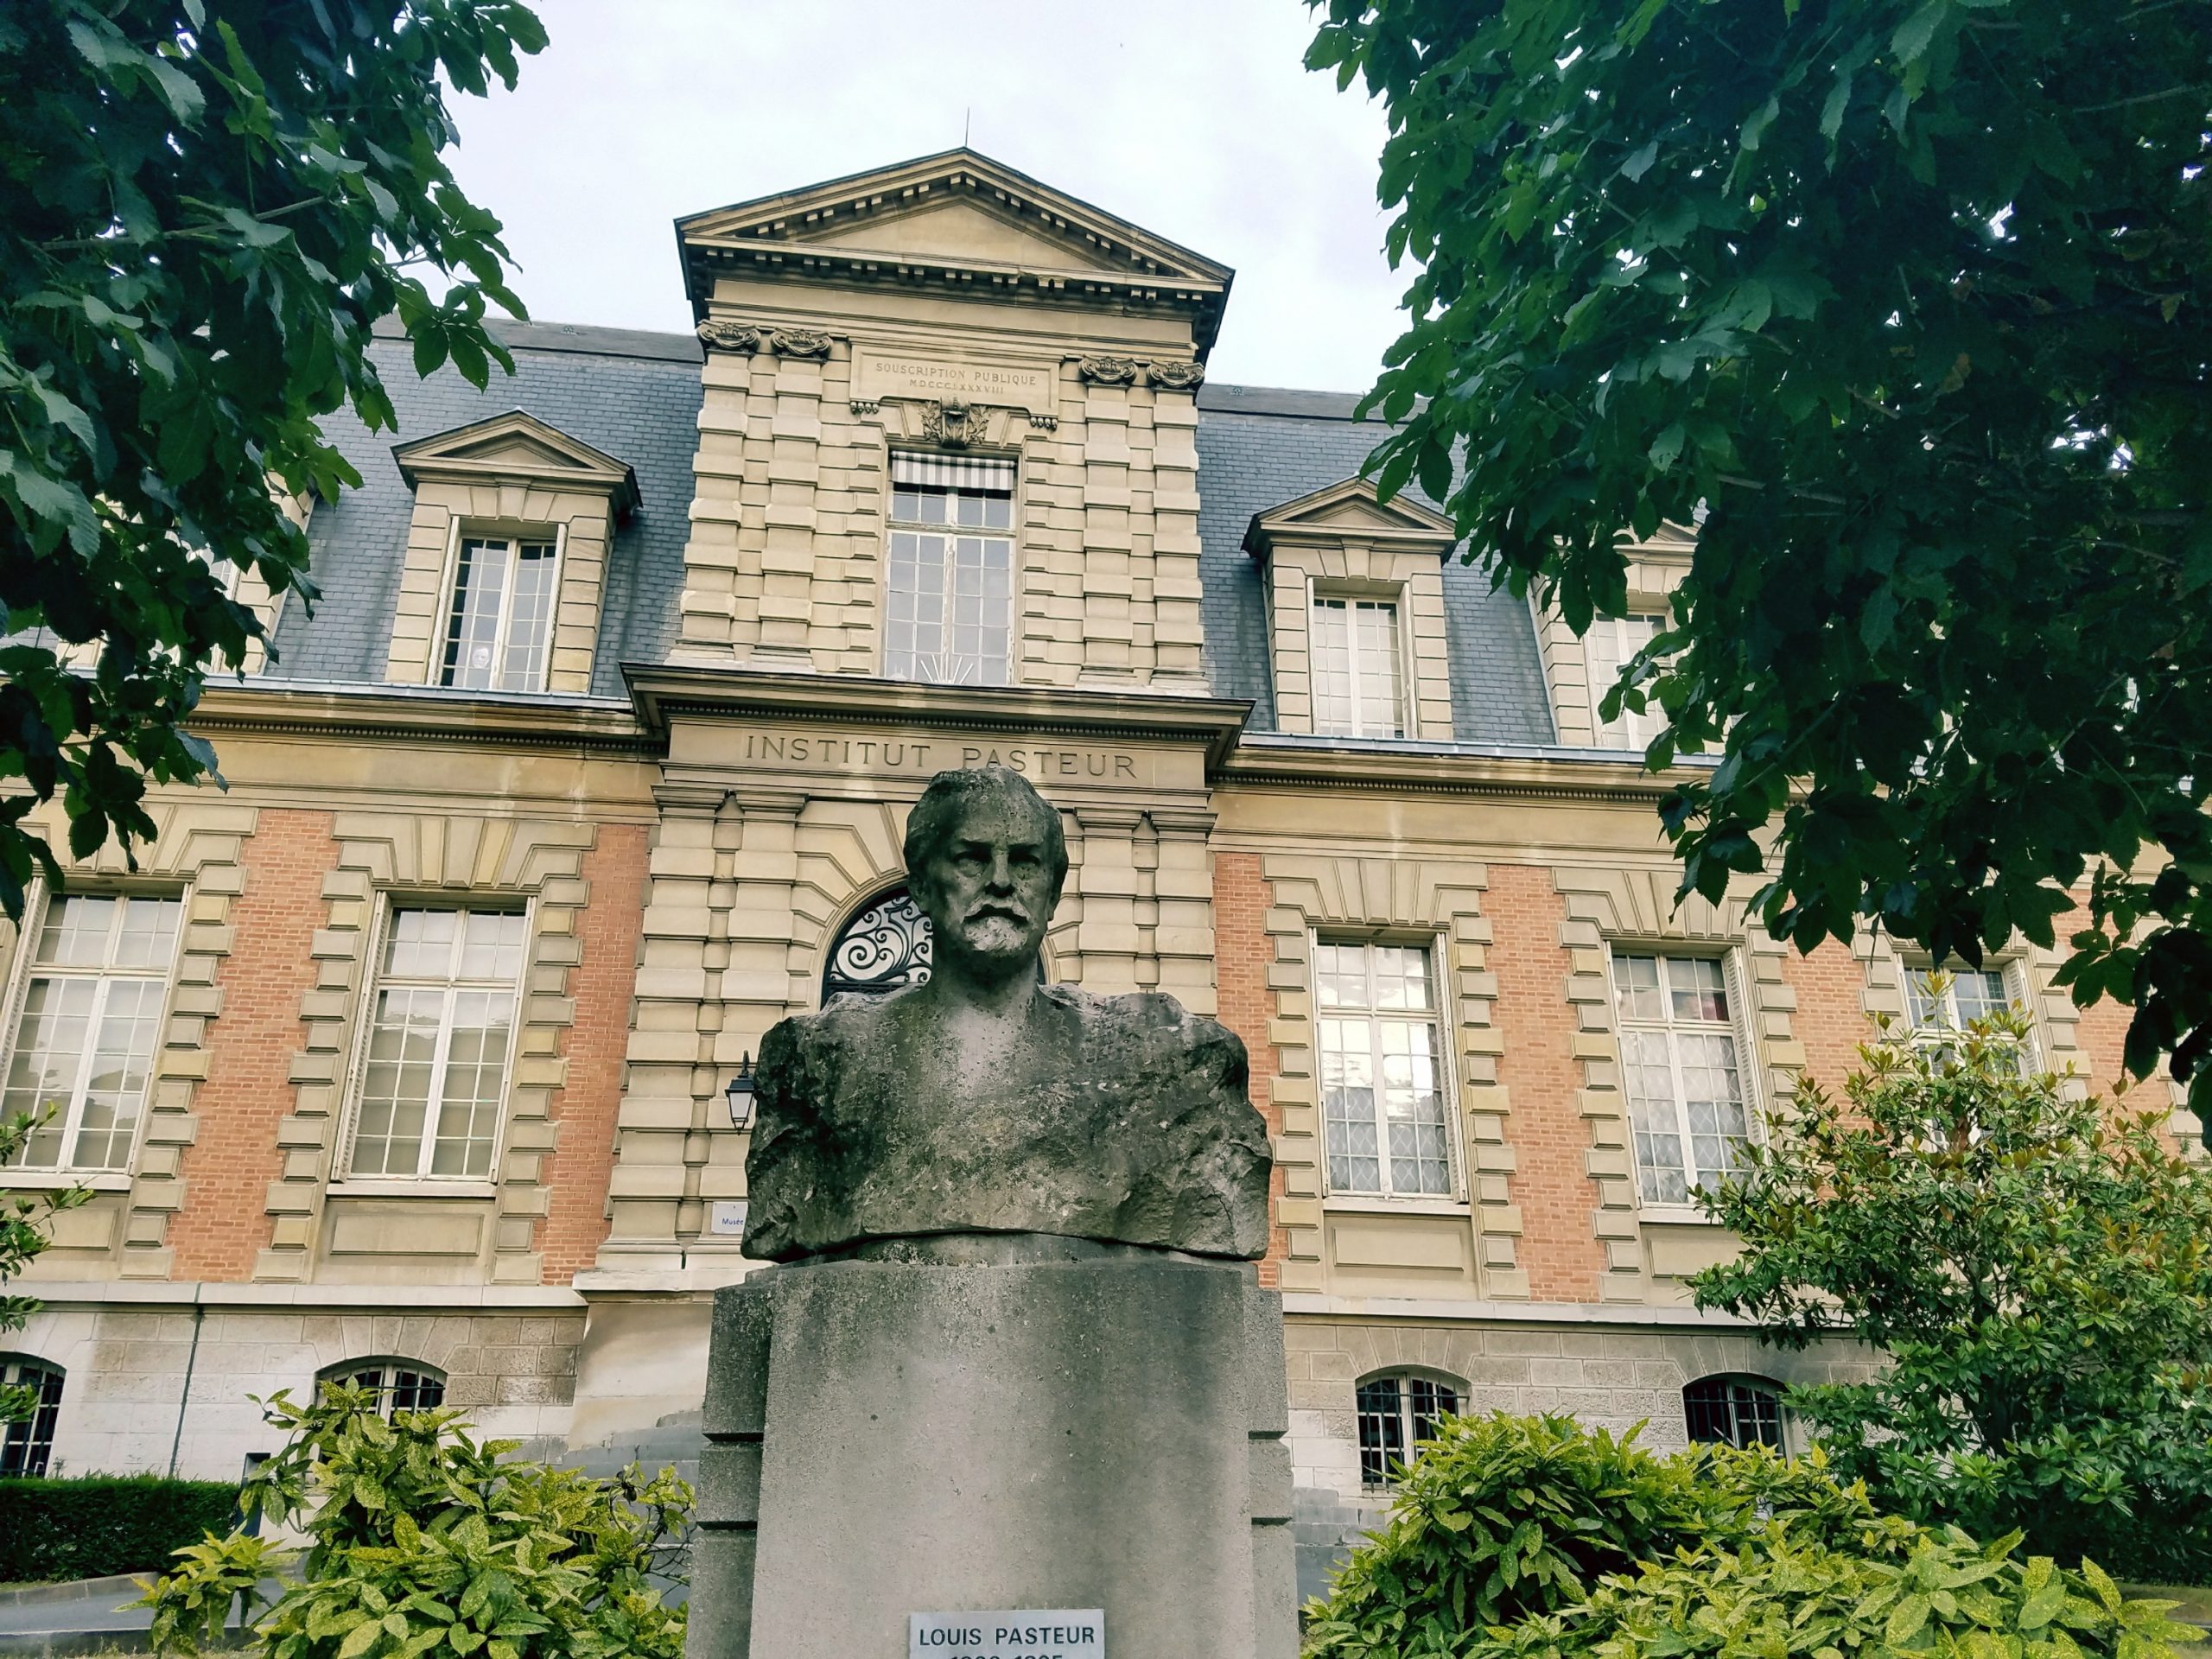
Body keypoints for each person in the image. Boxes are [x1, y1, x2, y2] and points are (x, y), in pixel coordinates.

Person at [741, 765, 1271, 1262]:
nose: (1000, 881)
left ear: (1052, 893)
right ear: (923, 886)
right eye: (972, 858)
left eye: (1024, 861)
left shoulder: (1155, 1061)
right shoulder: (830, 1059)